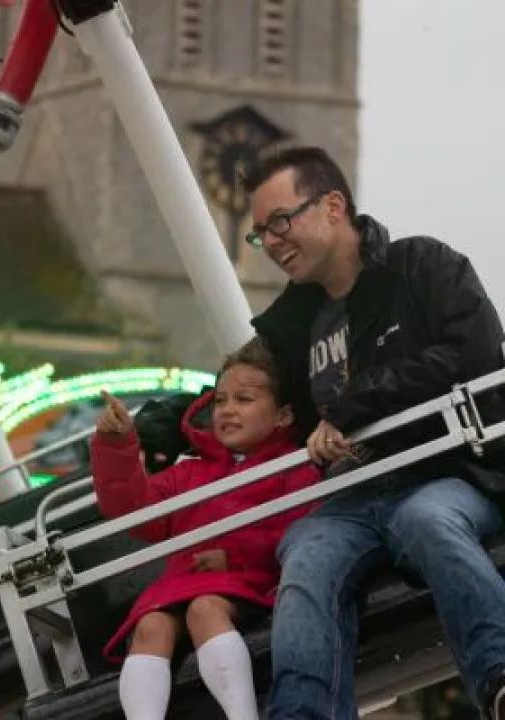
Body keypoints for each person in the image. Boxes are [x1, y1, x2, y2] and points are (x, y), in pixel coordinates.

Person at [135, 144, 505, 719]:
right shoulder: (292, 325)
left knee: (430, 523)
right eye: (261, 232)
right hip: (349, 496)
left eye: (281, 222)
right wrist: (169, 423)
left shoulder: (423, 267)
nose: (271, 242)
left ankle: (499, 678)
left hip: (443, 473)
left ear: (333, 206)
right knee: (305, 559)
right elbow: (248, 393)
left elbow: (473, 352)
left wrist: (357, 403)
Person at [90, 338, 320, 720]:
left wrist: (236, 556)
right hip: (184, 584)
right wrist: (117, 446)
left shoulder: (297, 468)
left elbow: (303, 533)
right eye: (220, 401)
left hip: (251, 582)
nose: (227, 410)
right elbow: (132, 510)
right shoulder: (189, 472)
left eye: (244, 400)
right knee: (150, 626)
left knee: (204, 609)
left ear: (283, 416)